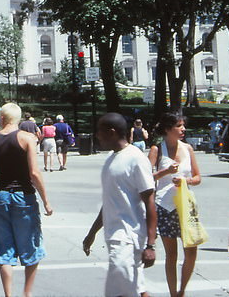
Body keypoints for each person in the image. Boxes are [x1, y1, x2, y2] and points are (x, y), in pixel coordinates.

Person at [82, 113, 157, 297]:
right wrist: (92, 233)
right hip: (115, 235)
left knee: (121, 293)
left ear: (112, 132)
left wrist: (151, 245)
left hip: (128, 237)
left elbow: (150, 202)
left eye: (100, 131)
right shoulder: (111, 158)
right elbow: (109, 202)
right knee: (136, 290)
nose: (97, 136)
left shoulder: (136, 158)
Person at [0, 102, 53, 297]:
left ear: (2, 118)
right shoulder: (26, 138)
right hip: (24, 196)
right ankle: (26, 293)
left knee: (4, 250)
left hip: (3, 195)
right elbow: (34, 173)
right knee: (31, 246)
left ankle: (8, 294)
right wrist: (46, 200)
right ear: (19, 118)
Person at [148, 112, 202, 297]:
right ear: (167, 129)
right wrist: (166, 171)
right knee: (172, 254)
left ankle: (182, 290)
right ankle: (173, 293)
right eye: (179, 126)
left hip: (186, 205)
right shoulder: (157, 149)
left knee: (191, 251)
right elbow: (147, 178)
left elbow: (198, 177)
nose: (183, 129)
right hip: (165, 206)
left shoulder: (188, 148)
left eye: (183, 125)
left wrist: (186, 180)